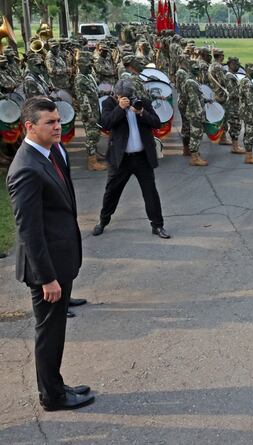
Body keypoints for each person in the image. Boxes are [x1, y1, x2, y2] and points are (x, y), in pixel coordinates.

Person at [6, 97, 95, 411]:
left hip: (61, 257)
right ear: (29, 126)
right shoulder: (26, 169)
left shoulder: (54, 151)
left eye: (58, 120)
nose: (58, 126)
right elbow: (29, 230)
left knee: (56, 330)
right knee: (49, 333)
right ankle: (52, 397)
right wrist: (47, 278)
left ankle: (55, 385)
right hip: (47, 269)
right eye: (50, 122)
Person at [92, 79, 170, 239]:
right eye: (122, 97)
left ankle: (158, 226)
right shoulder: (110, 103)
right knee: (111, 192)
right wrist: (120, 109)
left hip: (142, 158)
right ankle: (103, 221)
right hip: (121, 159)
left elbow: (157, 123)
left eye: (129, 96)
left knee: (151, 193)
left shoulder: (142, 102)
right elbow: (105, 124)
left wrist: (141, 113)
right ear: (116, 95)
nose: (126, 99)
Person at [74, 51, 108, 172]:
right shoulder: (79, 80)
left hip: (95, 109)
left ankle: (94, 153)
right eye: (88, 66)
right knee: (91, 136)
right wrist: (89, 116)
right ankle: (92, 162)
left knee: (96, 134)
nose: (90, 67)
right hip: (89, 113)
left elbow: (94, 92)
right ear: (81, 66)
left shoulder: (88, 76)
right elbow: (83, 100)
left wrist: (106, 93)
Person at [224, 56, 244, 153]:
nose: (238, 67)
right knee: (235, 125)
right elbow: (233, 93)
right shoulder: (230, 77)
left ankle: (235, 145)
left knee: (236, 125)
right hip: (233, 105)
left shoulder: (232, 76)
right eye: (236, 65)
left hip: (234, 105)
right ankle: (234, 147)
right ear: (231, 65)